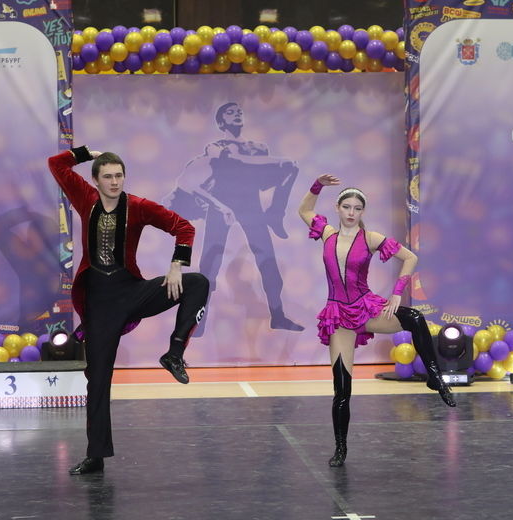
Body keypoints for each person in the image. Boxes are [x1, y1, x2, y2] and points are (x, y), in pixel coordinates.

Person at [48, 146, 209, 475]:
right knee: (98, 380)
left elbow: (184, 227)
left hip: (131, 291)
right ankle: (96, 456)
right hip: (99, 303)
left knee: (198, 283)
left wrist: (176, 266)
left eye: (119, 176)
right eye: (107, 176)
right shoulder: (84, 197)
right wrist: (85, 153)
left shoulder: (137, 206)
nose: (114, 181)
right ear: (95, 180)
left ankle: (174, 353)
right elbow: (56, 164)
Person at [298, 174, 456, 468]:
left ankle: (435, 377)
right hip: (338, 317)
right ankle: (341, 448)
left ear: (363, 212)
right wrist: (317, 185)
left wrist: (397, 292)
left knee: (414, 317)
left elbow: (410, 257)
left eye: (357, 208)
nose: (351, 212)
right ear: (337, 208)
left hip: (366, 309)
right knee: (342, 390)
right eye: (347, 207)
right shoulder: (327, 234)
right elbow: (304, 210)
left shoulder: (370, 238)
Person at [185, 102, 302, 334]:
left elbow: (260, 175)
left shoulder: (258, 147)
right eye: (230, 112)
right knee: (210, 264)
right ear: (221, 122)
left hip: (251, 205)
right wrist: (280, 161)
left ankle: (278, 315)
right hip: (222, 206)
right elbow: (239, 161)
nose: (236, 114)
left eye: (239, 112)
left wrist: (283, 165)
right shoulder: (215, 147)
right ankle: (199, 322)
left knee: (267, 260)